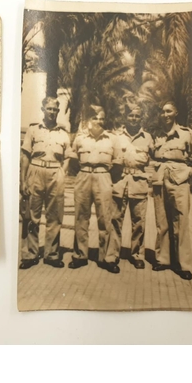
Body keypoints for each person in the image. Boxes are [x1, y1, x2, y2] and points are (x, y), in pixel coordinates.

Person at [152, 101, 192, 280]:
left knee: (181, 222)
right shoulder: (157, 135)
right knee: (162, 221)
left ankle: (184, 265)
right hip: (160, 180)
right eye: (163, 112)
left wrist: (187, 175)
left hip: (179, 181)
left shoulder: (186, 134)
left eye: (169, 111)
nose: (165, 114)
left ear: (176, 112)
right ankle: (163, 259)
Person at [19, 97, 71, 269]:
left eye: (55, 109)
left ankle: (52, 254)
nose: (52, 112)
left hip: (55, 172)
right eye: (49, 109)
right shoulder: (34, 130)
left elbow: (68, 157)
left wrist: (62, 173)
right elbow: (25, 156)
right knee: (31, 216)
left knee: (54, 217)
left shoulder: (63, 133)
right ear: (43, 109)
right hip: (35, 170)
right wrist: (23, 180)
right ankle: (30, 254)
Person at [69, 105, 119, 273]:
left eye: (101, 118)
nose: (98, 121)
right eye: (95, 118)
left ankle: (107, 257)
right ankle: (79, 255)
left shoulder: (112, 139)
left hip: (103, 176)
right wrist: (85, 173)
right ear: (89, 120)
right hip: (83, 175)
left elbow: (118, 163)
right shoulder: (80, 138)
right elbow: (74, 161)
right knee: (81, 217)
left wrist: (104, 176)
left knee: (105, 218)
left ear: (105, 120)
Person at [111, 103, 154, 269]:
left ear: (141, 118)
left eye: (137, 116)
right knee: (115, 220)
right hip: (120, 183)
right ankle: (113, 255)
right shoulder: (116, 136)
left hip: (139, 184)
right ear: (125, 117)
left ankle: (136, 254)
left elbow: (156, 158)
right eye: (131, 116)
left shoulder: (148, 138)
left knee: (139, 222)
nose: (134, 119)